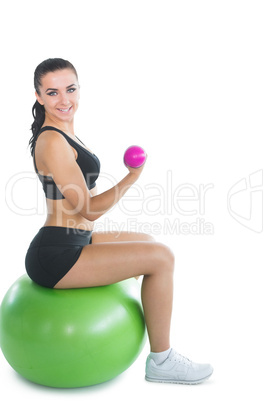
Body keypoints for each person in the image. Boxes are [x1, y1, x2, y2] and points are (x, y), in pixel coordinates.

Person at [25, 58, 213, 385]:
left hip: (75, 239)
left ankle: (139, 320)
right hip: (56, 255)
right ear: (39, 97)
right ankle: (162, 359)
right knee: (161, 258)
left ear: (79, 88)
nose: (64, 100)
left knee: (150, 245)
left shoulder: (65, 131)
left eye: (70, 89)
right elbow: (89, 210)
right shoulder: (52, 140)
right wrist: (132, 177)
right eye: (52, 93)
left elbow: (84, 200)